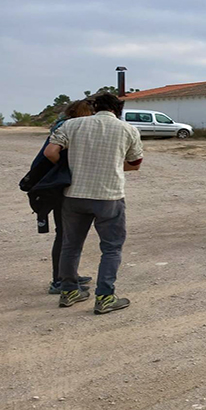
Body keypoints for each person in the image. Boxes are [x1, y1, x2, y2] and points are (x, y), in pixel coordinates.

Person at [44, 93, 143, 314]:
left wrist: (68, 168)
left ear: (95, 106)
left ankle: (69, 291)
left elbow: (50, 152)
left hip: (74, 195)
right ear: (119, 109)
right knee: (111, 248)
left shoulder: (73, 125)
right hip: (109, 196)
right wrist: (116, 165)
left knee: (71, 245)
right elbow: (135, 163)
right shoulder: (128, 129)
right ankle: (105, 297)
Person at [21, 99, 95, 295]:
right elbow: (51, 154)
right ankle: (59, 281)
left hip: (54, 186)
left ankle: (69, 274)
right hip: (56, 188)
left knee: (69, 233)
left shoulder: (63, 125)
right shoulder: (68, 127)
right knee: (65, 234)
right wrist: (65, 169)